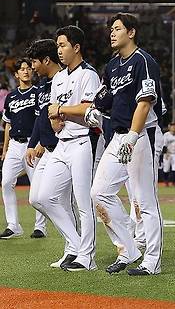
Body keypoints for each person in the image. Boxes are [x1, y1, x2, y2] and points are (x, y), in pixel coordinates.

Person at [85, 12, 164, 276]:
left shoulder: (144, 61)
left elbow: (145, 101)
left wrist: (133, 134)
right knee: (99, 193)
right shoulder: (112, 65)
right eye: (111, 28)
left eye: (117, 28)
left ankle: (152, 261)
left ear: (131, 32)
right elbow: (102, 99)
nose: (112, 32)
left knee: (144, 200)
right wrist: (93, 110)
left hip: (141, 134)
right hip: (118, 136)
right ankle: (128, 248)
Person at [33, 25, 100, 271]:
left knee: (84, 203)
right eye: (58, 45)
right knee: (42, 197)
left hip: (83, 141)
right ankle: (74, 245)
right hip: (62, 142)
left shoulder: (89, 74)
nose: (59, 50)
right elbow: (52, 112)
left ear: (76, 47)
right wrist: (56, 118)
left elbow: (89, 109)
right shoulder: (59, 78)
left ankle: (87, 257)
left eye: (63, 45)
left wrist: (60, 112)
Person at [0, 58, 46, 239]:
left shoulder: (37, 92)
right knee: (6, 182)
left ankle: (40, 227)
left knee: (37, 187)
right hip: (14, 145)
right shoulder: (11, 96)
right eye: (22, 69)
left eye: (28, 68)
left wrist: (40, 143)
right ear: (16, 74)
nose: (26, 71)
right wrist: (4, 149)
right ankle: (13, 225)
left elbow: (42, 121)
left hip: (32, 144)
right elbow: (7, 126)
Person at [25, 40, 63, 242]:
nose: (32, 67)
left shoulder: (65, 80)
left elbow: (63, 118)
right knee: (36, 199)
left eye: (34, 62)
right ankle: (75, 242)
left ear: (46, 60)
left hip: (64, 146)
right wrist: (32, 144)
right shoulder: (42, 87)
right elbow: (41, 119)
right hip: (47, 149)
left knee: (68, 202)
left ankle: (76, 248)